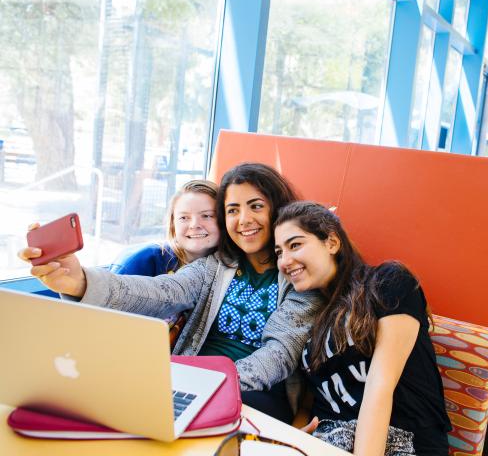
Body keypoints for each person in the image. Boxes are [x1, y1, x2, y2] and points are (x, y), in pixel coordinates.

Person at [19, 163, 324, 423]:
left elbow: (278, 356)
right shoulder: (216, 266)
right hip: (184, 381)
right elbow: (161, 292)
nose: (243, 219)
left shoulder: (298, 274)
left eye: (256, 206)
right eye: (233, 210)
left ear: (278, 210)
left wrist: (195, 376)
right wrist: (79, 281)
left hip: (254, 393)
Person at [273, 202, 451, 456]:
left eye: (295, 245)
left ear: (332, 242)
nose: (285, 261)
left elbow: (380, 386)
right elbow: (310, 403)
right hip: (324, 442)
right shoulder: (313, 317)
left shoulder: (387, 282)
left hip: (401, 442)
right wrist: (289, 445)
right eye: (279, 252)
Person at [108, 179, 219, 277]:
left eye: (207, 216)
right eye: (184, 217)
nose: (194, 225)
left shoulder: (230, 271)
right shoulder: (138, 262)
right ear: (173, 224)